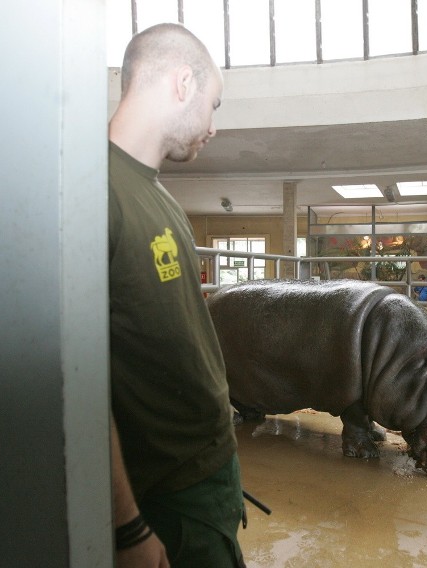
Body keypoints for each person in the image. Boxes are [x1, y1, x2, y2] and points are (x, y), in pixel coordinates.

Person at [107, 23, 245, 568]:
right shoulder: (94, 194)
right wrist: (128, 529)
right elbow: (77, 384)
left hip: (209, 470)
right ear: (183, 83)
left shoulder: (160, 198)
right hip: (165, 492)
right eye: (213, 105)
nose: (212, 127)